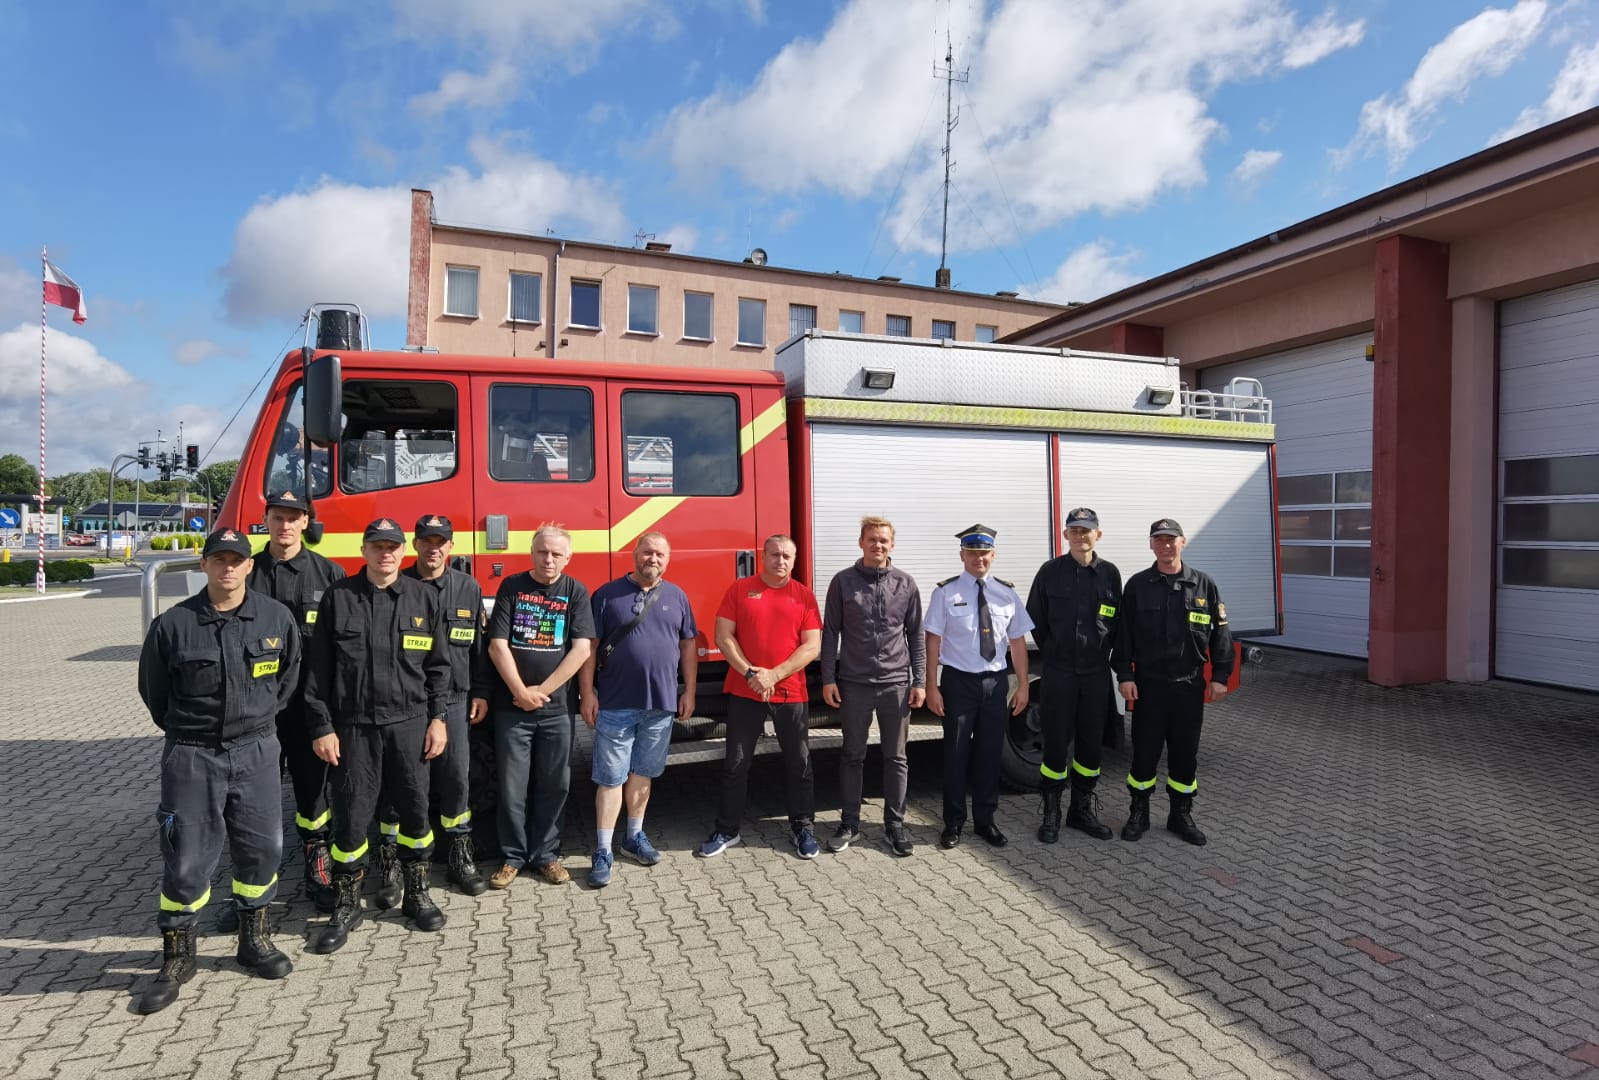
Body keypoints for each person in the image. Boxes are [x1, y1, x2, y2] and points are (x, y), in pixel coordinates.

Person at [135, 528, 300, 1013]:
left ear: (250, 566)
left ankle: (254, 940)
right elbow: (155, 694)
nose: (228, 568)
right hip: (193, 754)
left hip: (256, 751)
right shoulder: (173, 625)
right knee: (186, 857)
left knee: (262, 850)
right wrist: (194, 732)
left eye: (236, 560)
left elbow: (287, 679)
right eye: (219, 559)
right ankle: (178, 956)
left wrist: (255, 722)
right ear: (204, 565)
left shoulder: (275, 618)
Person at [304, 518, 452, 952]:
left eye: (392, 547)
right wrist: (322, 726)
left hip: (410, 724)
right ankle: (346, 905)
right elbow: (318, 671)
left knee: (416, 813)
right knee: (351, 816)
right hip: (354, 728)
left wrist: (439, 719)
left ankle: (417, 895)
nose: (385, 554)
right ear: (364, 551)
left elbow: (438, 668)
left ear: (403, 552)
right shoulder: (339, 597)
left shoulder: (424, 597)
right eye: (377, 546)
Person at [366, 514, 486, 906]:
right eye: (426, 541)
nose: (433, 549)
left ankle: (460, 859)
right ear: (414, 545)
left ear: (451, 546)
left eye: (441, 542)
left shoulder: (467, 587)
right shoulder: (396, 586)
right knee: (397, 785)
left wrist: (481, 691)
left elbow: (478, 648)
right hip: (407, 704)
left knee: (456, 780)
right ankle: (391, 866)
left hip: (454, 699)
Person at [577, 532, 699, 888]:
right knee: (610, 778)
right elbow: (589, 647)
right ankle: (603, 849)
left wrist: (689, 691)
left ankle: (633, 837)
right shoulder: (606, 595)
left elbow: (688, 645)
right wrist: (587, 693)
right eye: (647, 552)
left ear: (668, 558)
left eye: (660, 554)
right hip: (615, 702)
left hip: (661, 704)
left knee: (643, 773)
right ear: (634, 554)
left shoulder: (677, 596)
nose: (653, 559)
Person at [247, 489, 345, 915]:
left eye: (293, 517)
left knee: (312, 793)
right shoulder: (246, 571)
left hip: (307, 708)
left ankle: (317, 868)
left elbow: (342, 647)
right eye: (277, 517)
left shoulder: (330, 574)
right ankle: (253, 886)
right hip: (257, 710)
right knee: (254, 799)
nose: (285, 525)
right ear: (266, 520)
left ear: (306, 521)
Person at [697, 534, 823, 860]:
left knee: (799, 763)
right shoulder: (740, 590)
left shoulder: (804, 596)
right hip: (745, 690)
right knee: (736, 764)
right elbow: (723, 636)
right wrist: (751, 673)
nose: (780, 561)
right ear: (762, 557)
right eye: (774, 554)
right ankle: (727, 830)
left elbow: (812, 646)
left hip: (790, 692)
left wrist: (774, 675)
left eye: (786, 556)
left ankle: (803, 828)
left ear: (794, 561)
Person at [483, 525, 595, 888]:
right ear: (531, 553)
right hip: (512, 708)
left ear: (568, 558)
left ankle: (546, 855)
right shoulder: (512, 586)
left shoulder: (575, 591)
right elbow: (497, 645)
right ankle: (513, 857)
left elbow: (581, 649)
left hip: (556, 709)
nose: (548, 559)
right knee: (512, 786)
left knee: (554, 784)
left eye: (556, 554)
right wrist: (520, 691)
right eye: (542, 552)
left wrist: (540, 692)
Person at [1114, 518, 1234, 847]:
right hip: (1149, 686)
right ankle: (1138, 814)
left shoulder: (1204, 585)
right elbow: (1123, 635)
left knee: (1185, 755)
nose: (1165, 545)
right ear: (1151, 545)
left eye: (1171, 539)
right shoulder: (1138, 585)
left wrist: (1220, 676)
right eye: (1159, 540)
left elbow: (1221, 633)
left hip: (1188, 687)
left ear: (1183, 542)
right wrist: (1125, 675)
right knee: (1144, 753)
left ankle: (1180, 816)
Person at [820, 516, 925, 857]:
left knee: (896, 757)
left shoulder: (905, 584)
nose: (877, 545)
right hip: (855, 683)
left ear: (891, 545)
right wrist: (828, 678)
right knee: (853, 755)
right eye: (871, 539)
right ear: (861, 542)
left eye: (883, 540)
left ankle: (895, 825)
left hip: (896, 684)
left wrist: (920, 680)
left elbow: (916, 635)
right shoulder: (843, 582)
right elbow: (830, 632)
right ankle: (850, 824)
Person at [925, 524, 1034, 850]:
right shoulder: (946, 593)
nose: (978, 558)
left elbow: (1017, 643)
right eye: (972, 553)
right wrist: (931, 686)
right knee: (956, 754)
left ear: (993, 555)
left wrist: (1024, 685)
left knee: (989, 755)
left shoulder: (1006, 593)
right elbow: (932, 641)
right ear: (962, 556)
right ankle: (953, 823)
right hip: (959, 682)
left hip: (995, 683)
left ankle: (986, 821)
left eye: (984, 553)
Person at [1025, 507, 1123, 843]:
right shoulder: (1050, 572)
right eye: (1075, 530)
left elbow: (1117, 621)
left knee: (1091, 746)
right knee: (1055, 745)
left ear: (1098, 534)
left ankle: (1080, 810)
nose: (1081, 536)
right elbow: (1036, 619)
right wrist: (1056, 652)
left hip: (1096, 674)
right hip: (1060, 673)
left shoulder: (1110, 574)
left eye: (1086, 530)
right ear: (1066, 535)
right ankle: (1051, 812)